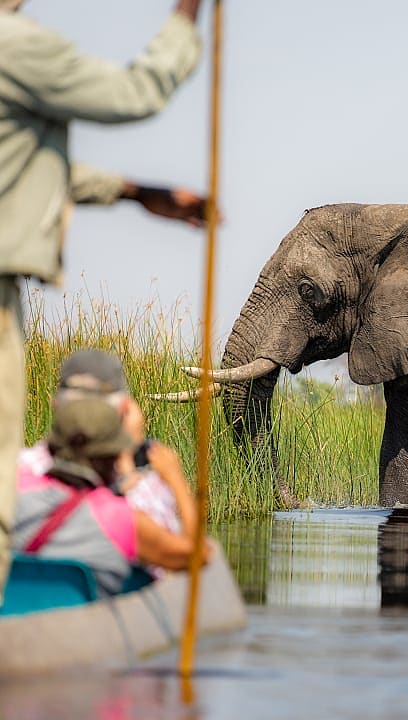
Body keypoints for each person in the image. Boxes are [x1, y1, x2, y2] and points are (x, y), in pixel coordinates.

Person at [0, 0, 207, 602]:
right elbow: (134, 91)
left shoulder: (32, 475)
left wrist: (130, 191)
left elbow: (27, 163)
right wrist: (187, 15)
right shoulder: (16, 43)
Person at [20, 349, 195, 576]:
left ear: (55, 406)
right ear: (123, 410)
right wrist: (176, 480)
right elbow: (192, 556)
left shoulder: (12, 475)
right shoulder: (123, 516)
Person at [14, 395, 205, 596]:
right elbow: (195, 555)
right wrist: (176, 480)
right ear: (114, 453)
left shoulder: (15, 486)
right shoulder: (118, 518)